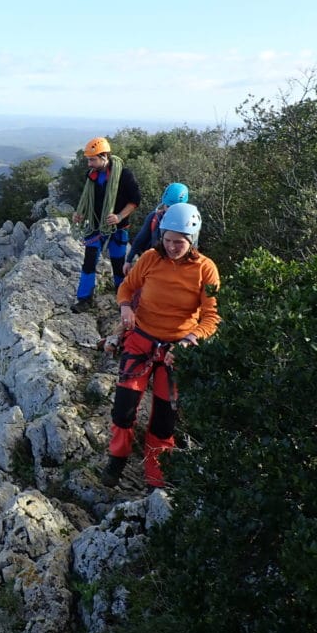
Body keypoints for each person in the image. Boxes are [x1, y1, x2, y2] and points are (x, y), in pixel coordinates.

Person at [100, 202, 220, 490]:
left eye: (179, 242)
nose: (172, 247)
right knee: (123, 409)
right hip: (141, 338)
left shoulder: (206, 269)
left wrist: (191, 339)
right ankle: (117, 458)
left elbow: (212, 316)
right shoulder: (151, 259)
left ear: (192, 240)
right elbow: (127, 287)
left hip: (176, 349)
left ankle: (156, 473)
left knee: (164, 420)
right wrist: (126, 308)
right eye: (167, 240)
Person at [70, 137, 141, 313]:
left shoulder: (124, 175)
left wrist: (119, 216)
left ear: (105, 156)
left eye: (92, 159)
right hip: (95, 226)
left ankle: (122, 296)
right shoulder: (92, 176)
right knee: (89, 262)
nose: (89, 164)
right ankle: (84, 298)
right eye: (88, 159)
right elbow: (90, 199)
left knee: (118, 263)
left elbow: (135, 200)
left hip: (118, 228)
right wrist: (81, 214)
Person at [122, 182, 189, 275]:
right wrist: (128, 261)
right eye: (168, 206)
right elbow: (140, 240)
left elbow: (193, 250)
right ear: (164, 204)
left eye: (174, 207)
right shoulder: (154, 218)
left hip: (177, 269)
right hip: (155, 266)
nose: (170, 210)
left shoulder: (189, 224)